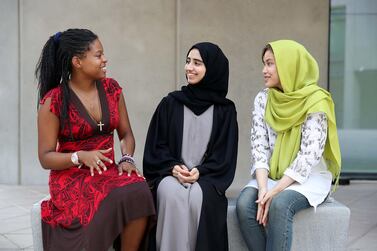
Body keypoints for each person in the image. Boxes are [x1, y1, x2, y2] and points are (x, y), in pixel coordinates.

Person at [36, 28, 155, 251]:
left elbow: (126, 134)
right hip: (72, 178)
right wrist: (78, 156)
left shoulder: (112, 89)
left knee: (139, 189)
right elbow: (45, 157)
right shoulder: (53, 101)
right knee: (104, 199)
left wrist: (127, 158)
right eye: (98, 55)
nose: (105, 59)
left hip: (107, 171)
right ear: (77, 62)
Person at [236, 40, 341, 251]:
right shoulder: (263, 99)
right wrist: (264, 188)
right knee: (244, 205)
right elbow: (259, 147)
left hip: (308, 177)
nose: (264, 70)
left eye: (270, 64)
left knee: (281, 204)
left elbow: (309, 155)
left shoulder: (315, 101)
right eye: (264, 64)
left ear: (288, 65)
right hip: (273, 174)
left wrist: (274, 193)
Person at [143, 42, 238, 251]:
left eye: (197, 63)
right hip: (171, 174)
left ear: (212, 69)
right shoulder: (170, 104)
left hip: (207, 177)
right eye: (187, 61)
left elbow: (225, 156)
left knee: (198, 197)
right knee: (169, 192)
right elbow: (155, 148)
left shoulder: (225, 111)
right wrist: (173, 167)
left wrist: (201, 172)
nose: (189, 68)